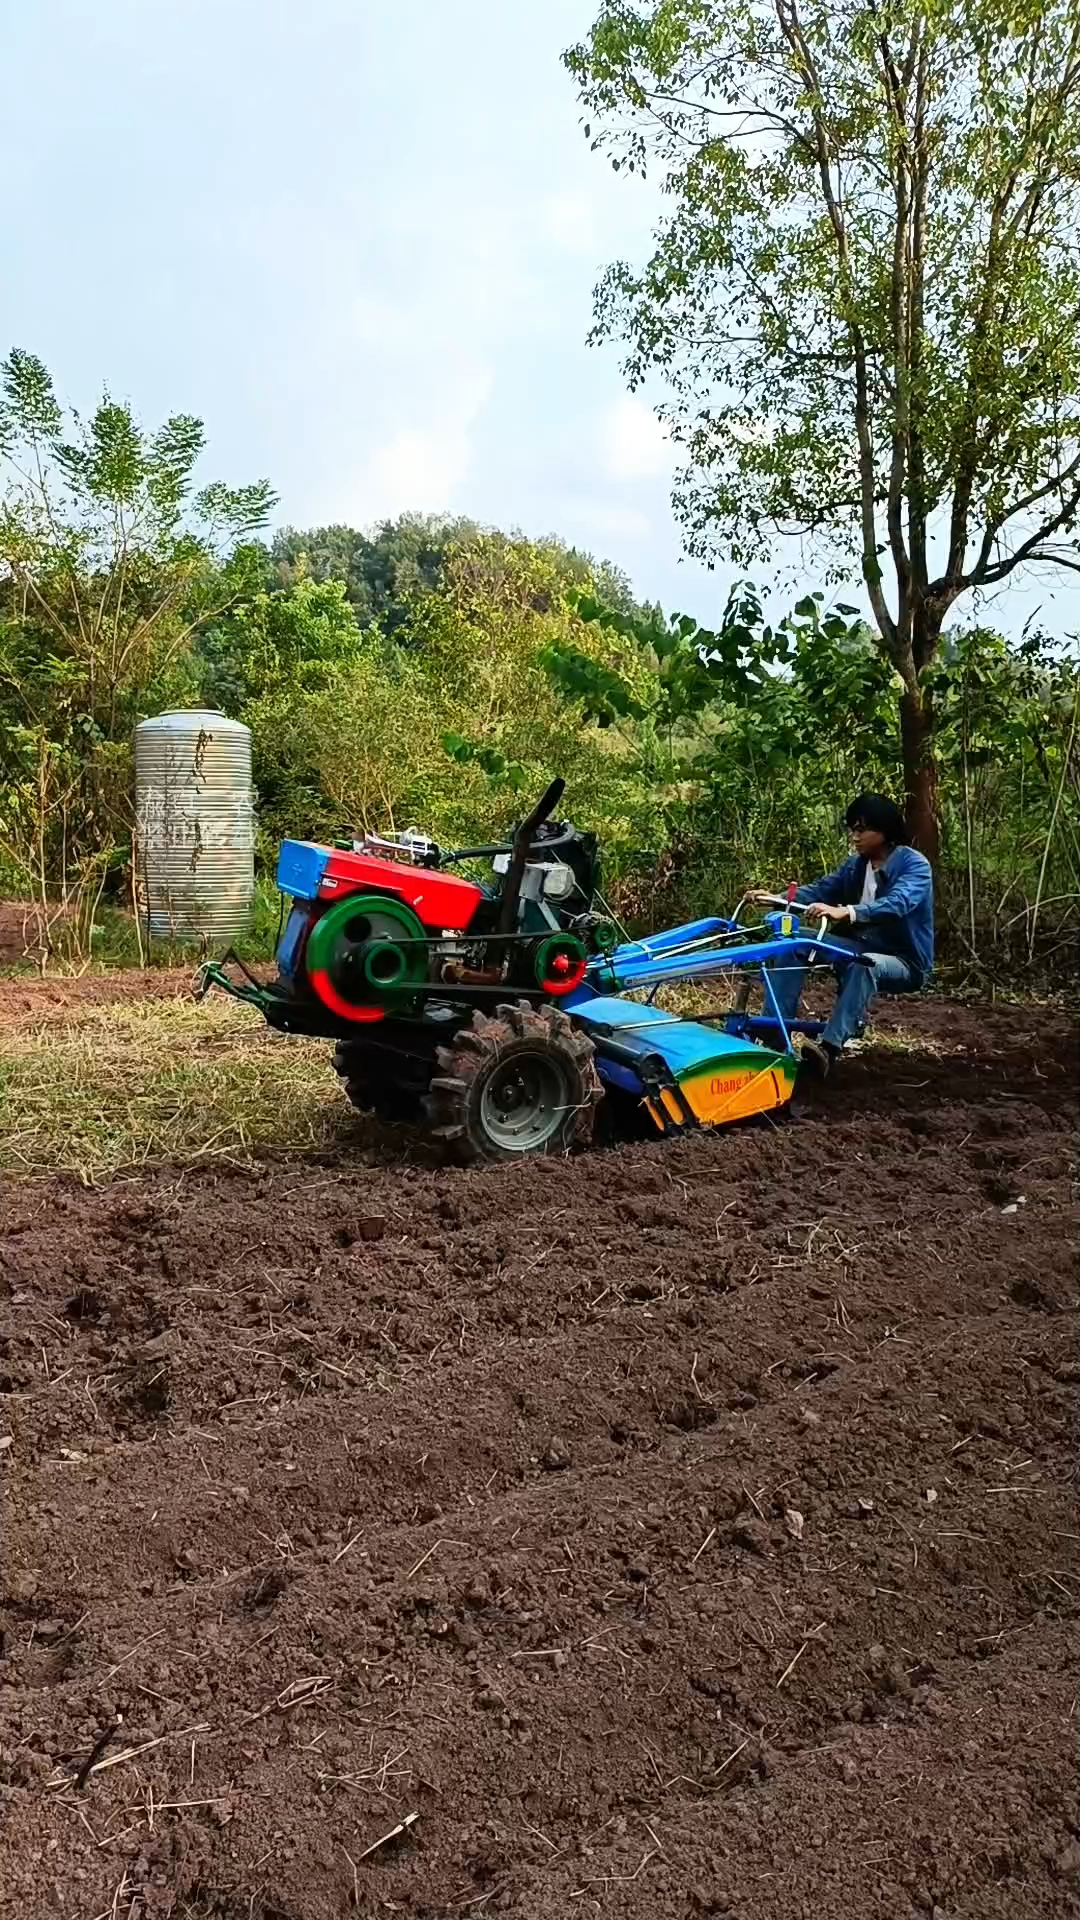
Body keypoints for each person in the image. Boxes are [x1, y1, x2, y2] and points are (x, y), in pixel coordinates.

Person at [750, 793, 934, 1074]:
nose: (855, 836)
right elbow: (820, 890)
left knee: (866, 965)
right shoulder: (855, 866)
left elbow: (899, 902)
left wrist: (848, 911)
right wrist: (774, 898)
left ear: (884, 831)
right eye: (852, 829)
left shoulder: (914, 865)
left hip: (903, 960)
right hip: (858, 945)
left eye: (861, 829)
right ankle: (775, 1030)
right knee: (795, 942)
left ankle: (828, 1048)